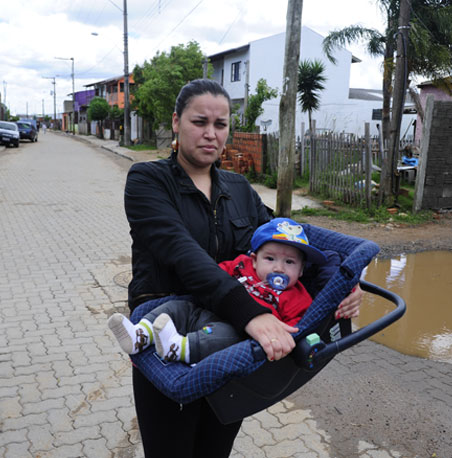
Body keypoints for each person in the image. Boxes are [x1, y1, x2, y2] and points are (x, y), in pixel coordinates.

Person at [123, 78, 363, 458]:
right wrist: (252, 314)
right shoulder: (147, 181)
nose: (211, 134)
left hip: (228, 339)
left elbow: (286, 242)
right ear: (176, 122)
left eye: (220, 124)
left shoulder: (239, 189)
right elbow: (184, 255)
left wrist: (343, 282)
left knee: (216, 447)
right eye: (199, 122)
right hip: (169, 337)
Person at [109, 217, 326, 364]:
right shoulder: (242, 265)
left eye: (289, 262)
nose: (279, 268)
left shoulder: (297, 297)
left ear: (301, 270)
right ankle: (140, 334)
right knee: (175, 307)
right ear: (254, 259)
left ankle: (178, 347)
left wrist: (283, 340)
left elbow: (295, 327)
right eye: (270, 259)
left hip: (233, 328)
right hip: (205, 309)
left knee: (226, 337)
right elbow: (214, 276)